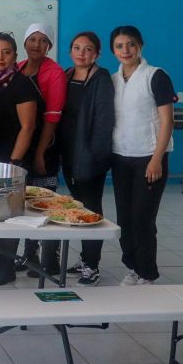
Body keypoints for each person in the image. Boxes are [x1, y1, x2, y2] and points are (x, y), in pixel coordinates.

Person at [110, 26, 176, 286]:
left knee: (142, 218)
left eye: (131, 44)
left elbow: (167, 120)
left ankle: (147, 273)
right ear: (113, 50)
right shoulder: (114, 80)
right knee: (124, 217)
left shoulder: (155, 76)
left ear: (140, 47)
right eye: (119, 45)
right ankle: (132, 267)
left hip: (149, 158)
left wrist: (156, 158)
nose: (125, 50)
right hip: (121, 158)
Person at [0, 33, 40, 286]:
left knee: (9, 213)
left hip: (11, 159)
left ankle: (8, 266)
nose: (0, 57)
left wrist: (14, 162)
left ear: (15, 55)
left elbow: (28, 127)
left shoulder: (22, 84)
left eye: (6, 52)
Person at [59, 32, 114, 287]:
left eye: (88, 49)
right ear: (71, 51)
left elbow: (104, 122)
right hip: (70, 152)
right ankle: (84, 259)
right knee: (79, 206)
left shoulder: (101, 79)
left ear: (97, 54)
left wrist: (94, 158)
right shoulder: (68, 75)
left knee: (91, 209)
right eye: (77, 48)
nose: (82, 53)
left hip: (90, 156)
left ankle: (92, 265)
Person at [17, 23, 67, 277]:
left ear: (49, 45)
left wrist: (38, 153)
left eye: (42, 40)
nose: (37, 44)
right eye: (32, 39)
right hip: (21, 144)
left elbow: (52, 117)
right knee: (24, 201)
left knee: (46, 202)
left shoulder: (54, 73)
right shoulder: (18, 68)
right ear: (24, 43)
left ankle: (51, 258)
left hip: (45, 145)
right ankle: (30, 254)